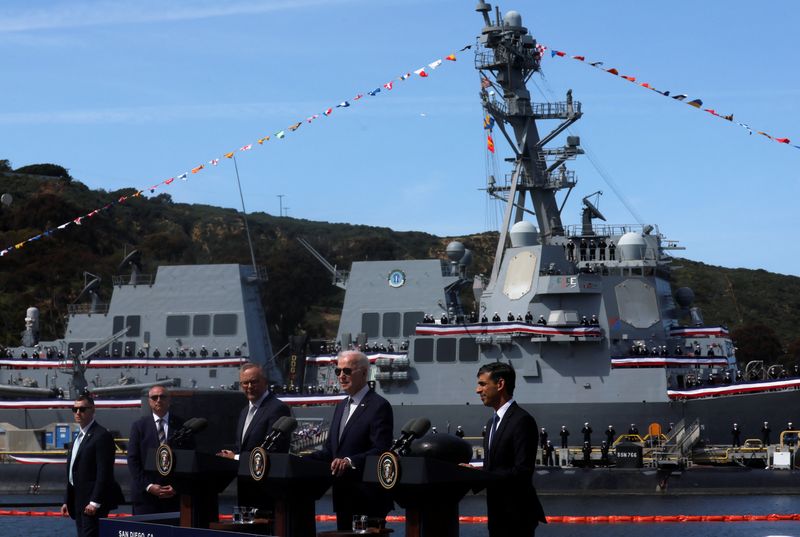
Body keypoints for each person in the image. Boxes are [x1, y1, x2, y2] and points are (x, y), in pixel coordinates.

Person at [308, 351, 393, 530]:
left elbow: (381, 449)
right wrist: (300, 460)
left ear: (363, 373)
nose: (341, 376)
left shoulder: (379, 406)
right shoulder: (341, 406)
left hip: (369, 498)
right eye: (338, 371)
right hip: (344, 497)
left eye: (346, 371)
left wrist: (349, 461)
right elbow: (331, 450)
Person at [475, 362, 545, 536]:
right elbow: (493, 468)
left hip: (517, 517)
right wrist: (473, 473)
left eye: (483, 384)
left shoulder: (522, 420)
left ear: (500, 384)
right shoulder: (492, 423)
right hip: (497, 516)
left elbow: (522, 471)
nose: (478, 390)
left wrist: (482, 475)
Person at [217, 363, 291, 511]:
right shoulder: (245, 411)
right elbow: (243, 447)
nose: (249, 386)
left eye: (253, 381)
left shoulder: (277, 409)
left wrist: (236, 458)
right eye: (245, 383)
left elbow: (273, 451)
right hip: (246, 488)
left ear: (265, 382)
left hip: (266, 491)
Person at [60, 395, 123, 537]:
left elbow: (104, 472)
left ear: (92, 410)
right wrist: (67, 500)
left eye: (82, 409)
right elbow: (72, 472)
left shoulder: (101, 435)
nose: (77, 412)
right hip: (77, 501)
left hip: (91, 504)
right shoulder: (79, 437)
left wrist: (95, 502)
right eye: (74, 409)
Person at [127, 386, 189, 514]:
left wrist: (176, 486)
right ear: (149, 401)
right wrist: (149, 486)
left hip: (173, 497)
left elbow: (188, 460)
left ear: (169, 400)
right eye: (154, 397)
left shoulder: (182, 427)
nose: (158, 400)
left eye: (162, 397)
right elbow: (133, 460)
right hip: (146, 498)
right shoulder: (139, 427)